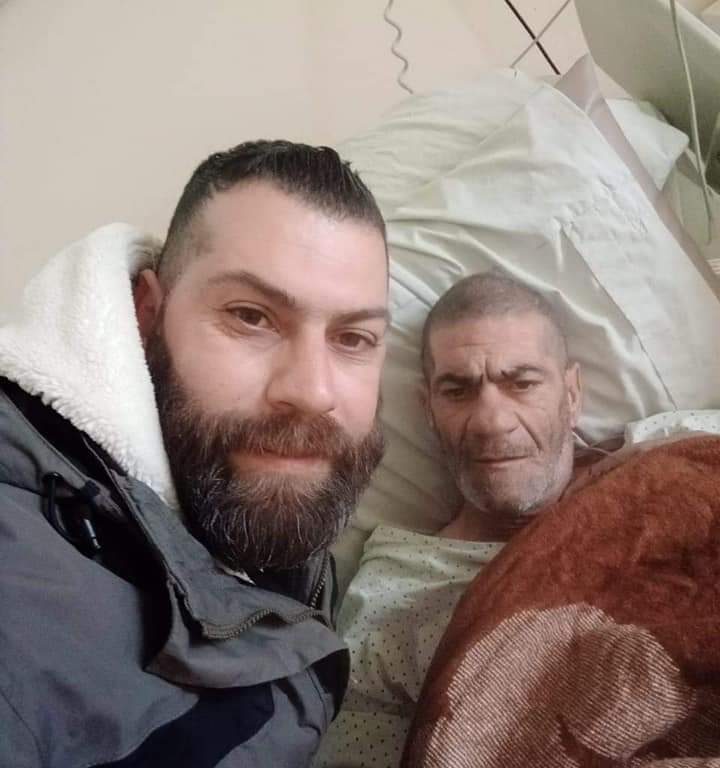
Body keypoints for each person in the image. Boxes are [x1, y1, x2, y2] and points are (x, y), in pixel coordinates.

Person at [0, 141, 389, 767]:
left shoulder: (264, 515)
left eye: (353, 338)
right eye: (251, 316)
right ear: (146, 314)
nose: (313, 392)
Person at [315, 273, 583, 768]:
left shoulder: (660, 467)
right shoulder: (394, 595)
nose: (492, 421)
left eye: (522, 383)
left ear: (573, 395)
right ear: (429, 410)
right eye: (458, 391)